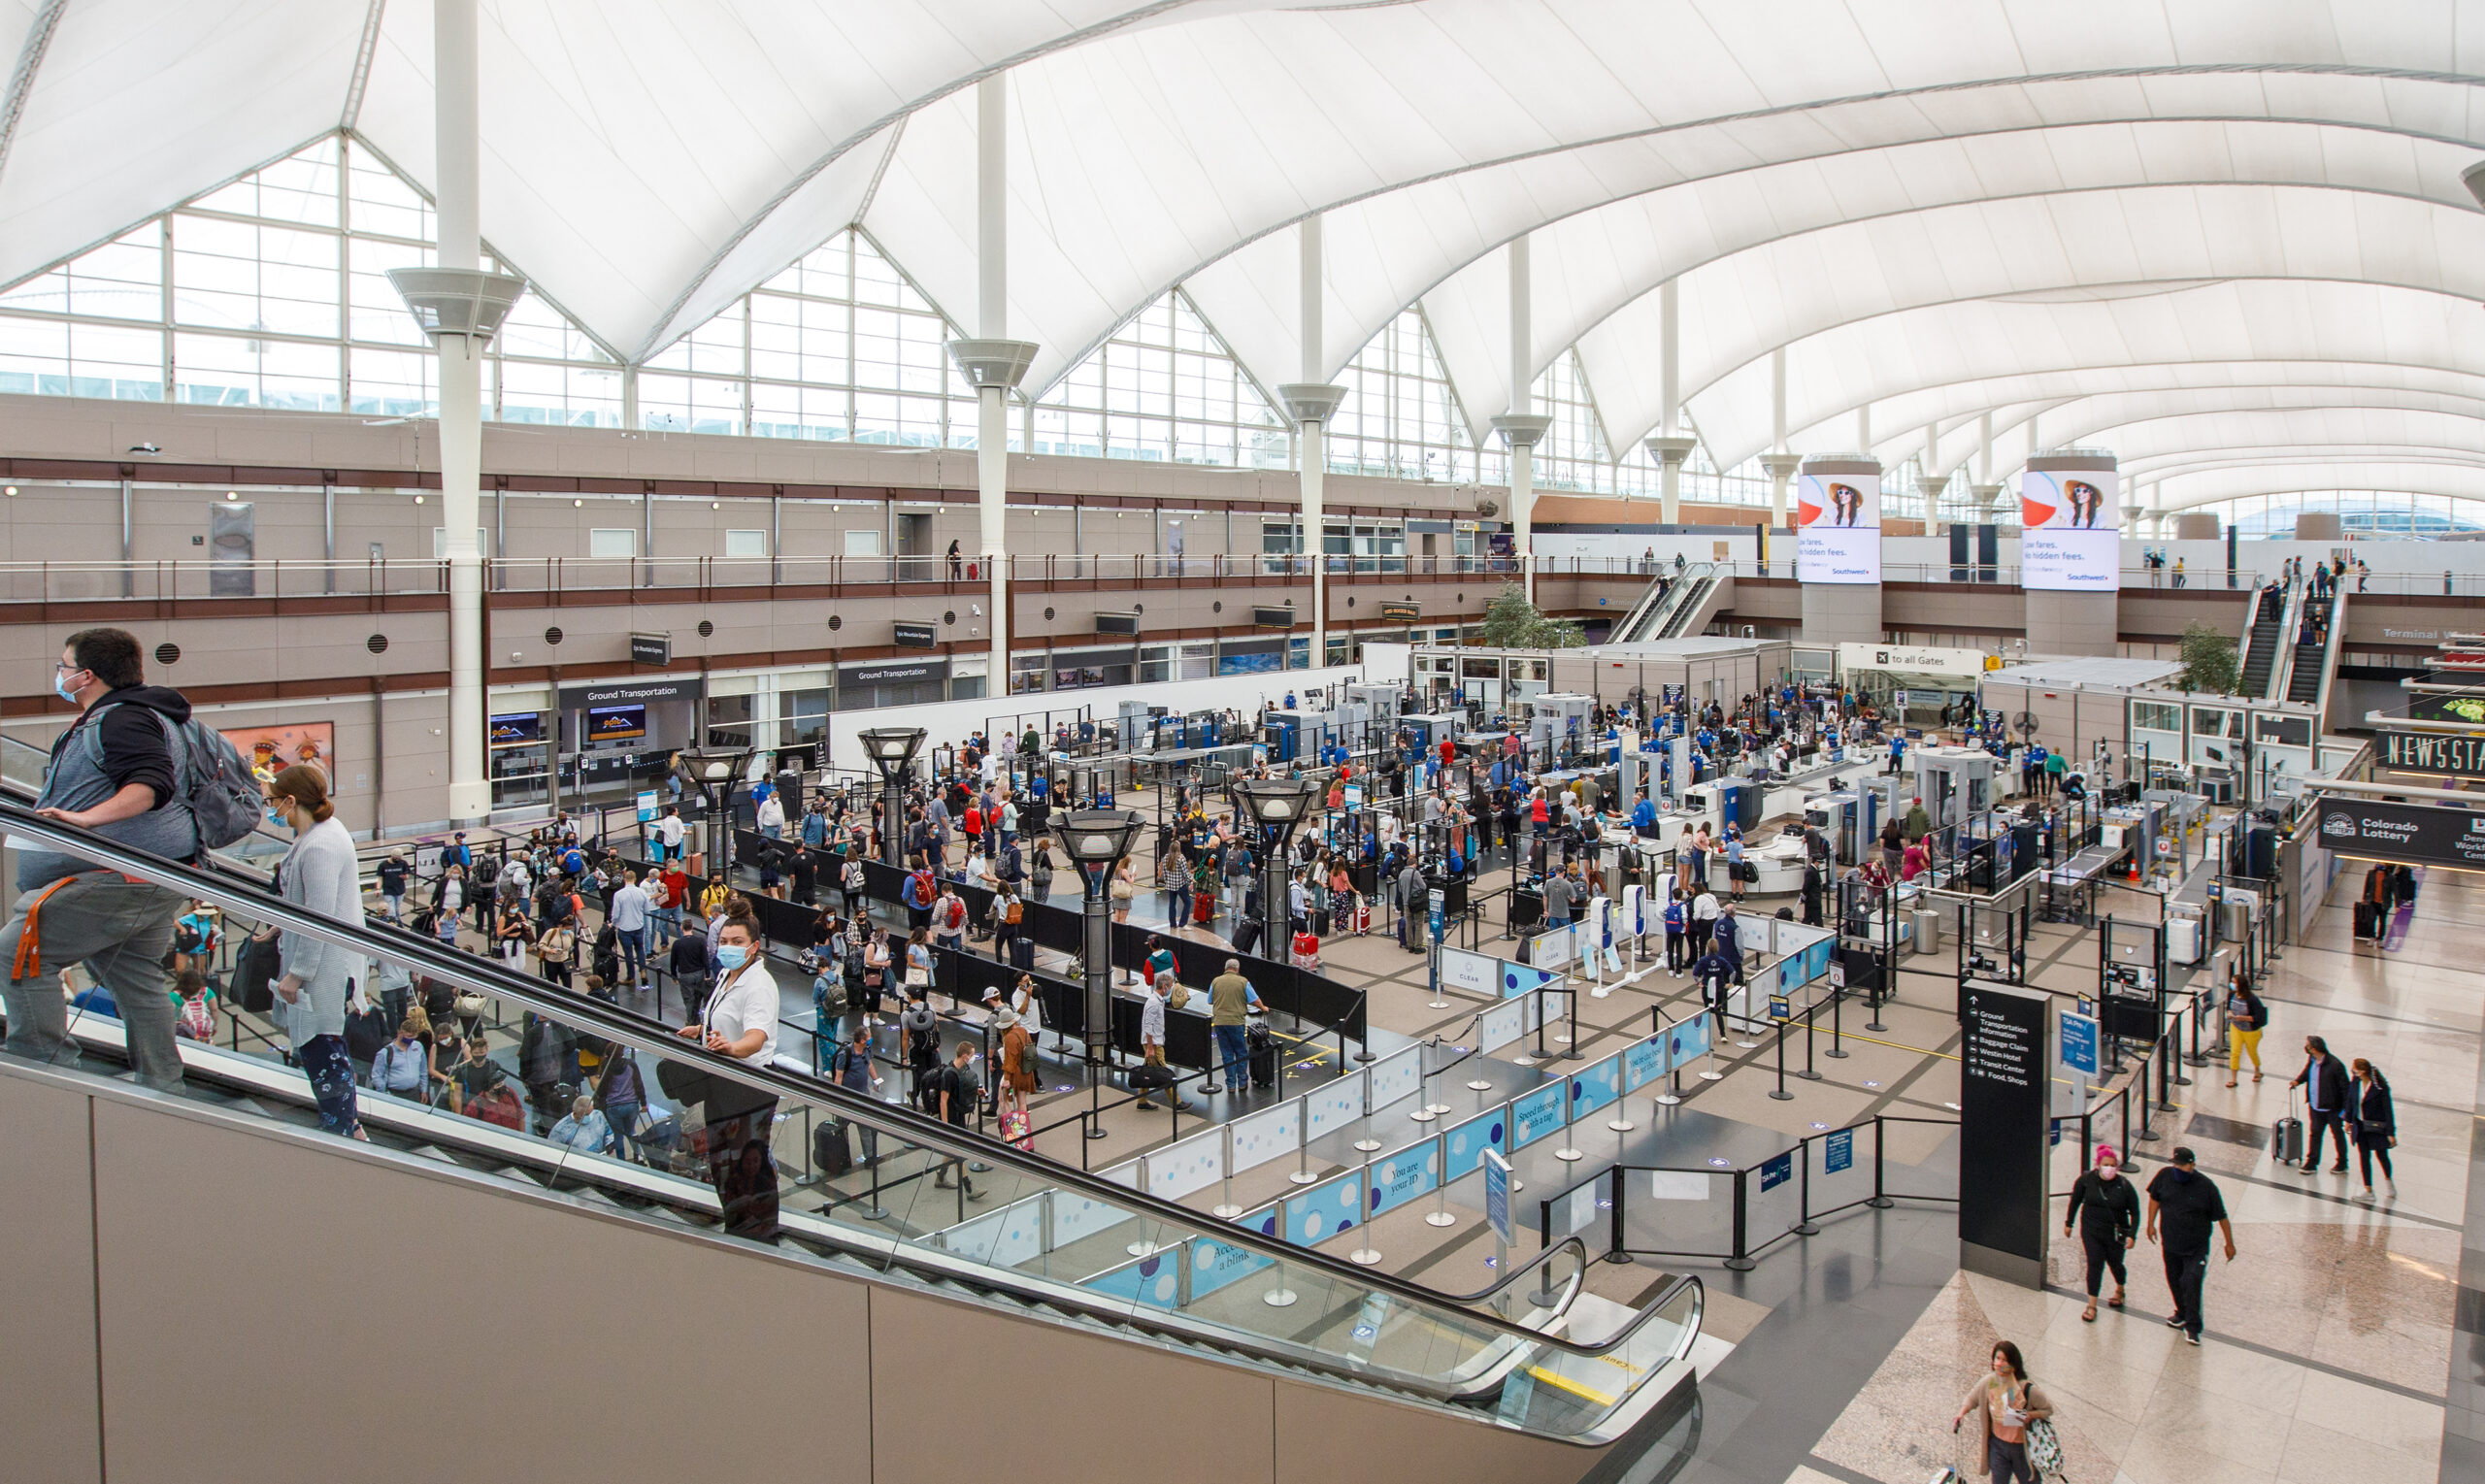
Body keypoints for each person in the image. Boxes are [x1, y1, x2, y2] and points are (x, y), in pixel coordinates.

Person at [1, 627, 202, 1092]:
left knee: (18, 953)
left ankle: (44, 1075)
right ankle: (163, 1081)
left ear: (86, 675)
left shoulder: (122, 719)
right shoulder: (143, 715)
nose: (59, 675)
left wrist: (86, 820)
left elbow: (150, 784)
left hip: (118, 875)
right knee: (133, 975)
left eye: (63, 667)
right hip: (151, 877)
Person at [258, 764, 369, 1138]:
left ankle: (340, 1128)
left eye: (272, 802)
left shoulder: (319, 844)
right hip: (326, 962)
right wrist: (280, 924)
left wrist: (298, 972)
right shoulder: (323, 833)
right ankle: (346, 1124)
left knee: (322, 1048)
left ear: (291, 800)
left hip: (322, 969)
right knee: (326, 1047)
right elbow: (311, 901)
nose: (270, 810)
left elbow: (320, 916)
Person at [676, 904, 781, 1238]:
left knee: (749, 1162)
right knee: (724, 1162)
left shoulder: (759, 985)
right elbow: (724, 1019)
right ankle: (737, 1220)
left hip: (747, 1085)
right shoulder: (726, 975)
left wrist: (732, 1048)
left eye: (737, 941)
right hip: (722, 1082)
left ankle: (759, 1228)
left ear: (754, 946)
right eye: (724, 940)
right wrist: (702, 1030)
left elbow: (755, 1037)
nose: (728, 947)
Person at [2145, 1145, 2235, 1345]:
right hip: (2171, 1242)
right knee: (2174, 1280)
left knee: (2191, 1281)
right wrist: (2150, 1223)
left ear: (2192, 1165)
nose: (2178, 1168)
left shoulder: (2206, 1187)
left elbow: (2221, 1217)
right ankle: (2182, 1313)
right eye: (2176, 1164)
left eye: (2182, 1165)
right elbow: (2154, 1198)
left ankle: (2193, 1327)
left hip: (2196, 1247)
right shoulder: (2165, 1176)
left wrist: (2229, 1243)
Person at [1950, 1339, 2053, 1484]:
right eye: (1997, 1358)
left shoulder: (2025, 1388)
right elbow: (1972, 1399)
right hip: (1998, 1445)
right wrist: (1961, 1414)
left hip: (2022, 1448)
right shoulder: (1989, 1382)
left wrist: (2031, 1415)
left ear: (2013, 1364)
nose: (1999, 1363)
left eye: (2005, 1360)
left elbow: (2048, 1409)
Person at [2062, 1144, 2138, 1321]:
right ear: (2098, 1164)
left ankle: (2120, 1288)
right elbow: (2075, 1200)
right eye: (2106, 1164)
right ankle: (2092, 1305)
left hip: (2114, 1233)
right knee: (2095, 1264)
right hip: (2091, 1231)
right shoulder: (2087, 1180)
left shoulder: (2124, 1186)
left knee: (2115, 1264)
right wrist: (2069, 1222)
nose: (2109, 1168)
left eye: (2112, 1165)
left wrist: (2132, 1234)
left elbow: (2135, 1211)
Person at [925, 1039, 985, 1199]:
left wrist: (977, 1091)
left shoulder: (963, 1069)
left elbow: (962, 1087)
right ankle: (969, 1188)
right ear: (965, 1056)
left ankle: (941, 1177)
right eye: (972, 1055)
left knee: (951, 1150)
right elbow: (943, 1100)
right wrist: (945, 1125)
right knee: (958, 1152)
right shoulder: (949, 1074)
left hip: (959, 1115)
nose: (973, 1058)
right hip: (951, 1118)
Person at [2289, 1034, 2351, 1174]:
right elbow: (2307, 1072)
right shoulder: (2312, 1059)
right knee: (2315, 1134)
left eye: (2309, 1046)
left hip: (2332, 1108)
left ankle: (2342, 1162)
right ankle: (2312, 1162)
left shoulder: (2335, 1065)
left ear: (2315, 1048)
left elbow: (2345, 1088)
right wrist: (2298, 1081)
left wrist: (2346, 1111)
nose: (2307, 1048)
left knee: (2337, 1134)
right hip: (2315, 1106)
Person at [1207, 957, 1263, 1096]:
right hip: (1236, 1022)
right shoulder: (1243, 982)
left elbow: (1210, 1000)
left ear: (1225, 968)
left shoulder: (1216, 981)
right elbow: (1254, 1000)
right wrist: (1263, 1007)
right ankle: (1242, 1082)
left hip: (1219, 1023)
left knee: (1227, 1054)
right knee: (1241, 1052)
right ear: (1237, 970)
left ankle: (1230, 1084)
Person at [2349, 1057, 2397, 1202]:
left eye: (2354, 1070)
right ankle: (2368, 1189)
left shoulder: (2380, 1087)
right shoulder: (2356, 1082)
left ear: (2363, 1071)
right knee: (2364, 1157)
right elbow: (2351, 1100)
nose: (2353, 1072)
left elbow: (2388, 1110)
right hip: (2360, 1125)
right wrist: (2347, 1119)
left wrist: (2390, 1133)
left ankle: (2389, 1181)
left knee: (2381, 1155)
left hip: (2376, 1127)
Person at [369, 1018, 433, 1103]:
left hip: (414, 1093)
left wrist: (424, 1090)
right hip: (393, 1094)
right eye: (408, 1036)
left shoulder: (418, 1047)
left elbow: (423, 1070)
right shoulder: (385, 1053)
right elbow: (376, 1076)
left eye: (414, 1037)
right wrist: (383, 1093)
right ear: (400, 1032)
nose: (411, 1040)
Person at [609, 869, 650, 989]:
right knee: (640, 949)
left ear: (624, 880)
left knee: (628, 953)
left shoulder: (619, 894)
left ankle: (630, 977)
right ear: (635, 879)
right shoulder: (642, 893)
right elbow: (647, 910)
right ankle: (643, 971)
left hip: (625, 928)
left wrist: (613, 923)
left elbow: (615, 914)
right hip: (638, 926)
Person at [2223, 971, 2265, 1086]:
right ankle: (2233, 1079)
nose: (2231, 984)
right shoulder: (2231, 995)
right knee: (2235, 1052)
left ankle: (2257, 1069)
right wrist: (2230, 1013)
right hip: (2236, 1027)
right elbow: (2228, 1007)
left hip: (2251, 1030)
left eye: (2234, 982)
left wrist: (2244, 1018)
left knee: (2252, 1052)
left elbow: (2258, 1017)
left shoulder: (2252, 999)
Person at [547, 1092, 613, 1155]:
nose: (590, 1116)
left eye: (591, 1112)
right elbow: (553, 1153)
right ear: (575, 1113)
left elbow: (608, 1132)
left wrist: (609, 1144)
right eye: (586, 1114)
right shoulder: (560, 1130)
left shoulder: (598, 1115)